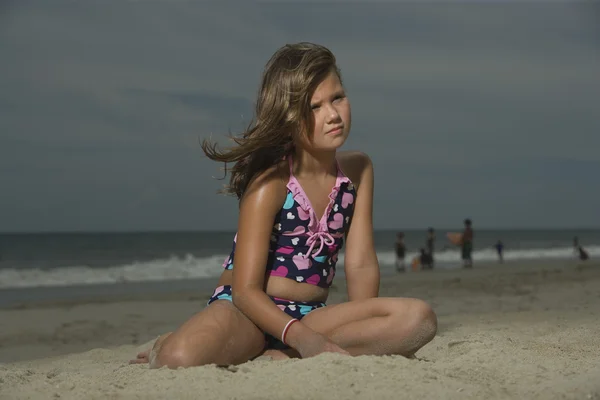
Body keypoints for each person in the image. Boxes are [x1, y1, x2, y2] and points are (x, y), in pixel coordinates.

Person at [129, 43, 437, 369]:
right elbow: (246, 291)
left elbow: (360, 263)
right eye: (314, 107)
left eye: (337, 98)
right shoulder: (269, 184)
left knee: (418, 319)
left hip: (313, 316)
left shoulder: (358, 171)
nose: (332, 114)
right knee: (180, 357)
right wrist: (304, 339)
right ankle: (168, 341)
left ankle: (281, 356)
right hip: (249, 312)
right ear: (289, 117)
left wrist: (362, 324)